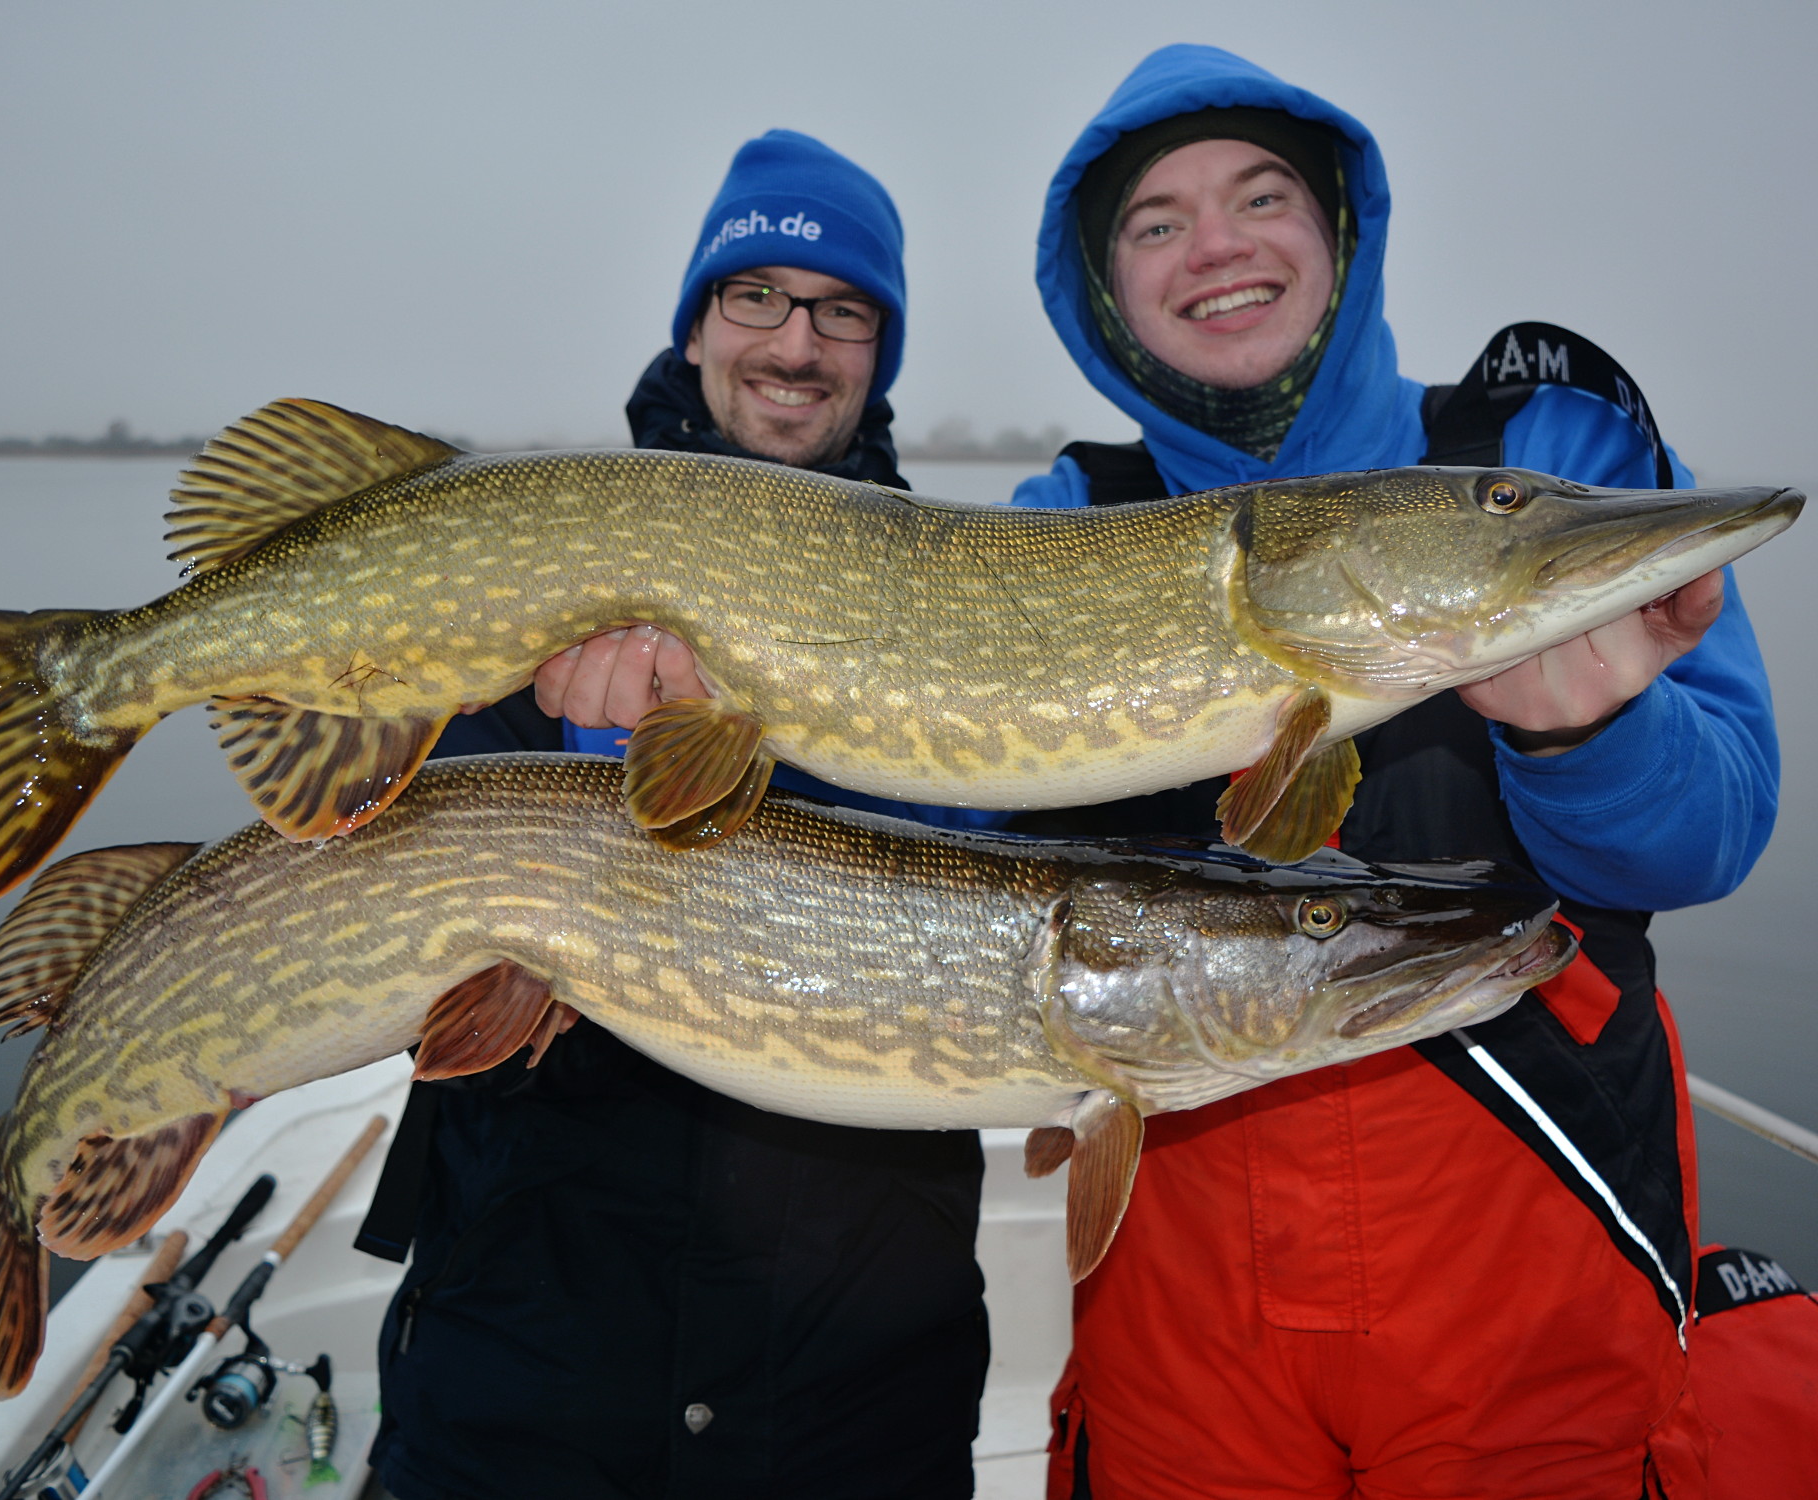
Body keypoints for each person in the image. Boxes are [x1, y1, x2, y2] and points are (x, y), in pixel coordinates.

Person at [1005, 45, 1778, 1499]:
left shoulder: (1536, 456)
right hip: (1183, 1269)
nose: (1217, 245)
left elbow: (1712, 835)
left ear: (1341, 235)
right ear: (1108, 292)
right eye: (1156, 223)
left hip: (1519, 1240)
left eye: (1262, 194)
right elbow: (932, 808)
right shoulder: (1064, 521)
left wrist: (1582, 735)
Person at [364, 129, 1002, 1500]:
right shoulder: (537, 547)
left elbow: (988, 876)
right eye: (756, 295)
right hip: (530, 1354)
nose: (797, 341)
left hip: (851, 1389)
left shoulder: (956, 592)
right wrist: (591, 760)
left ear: (877, 353)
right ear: (699, 326)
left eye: (842, 310)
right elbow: (401, 847)